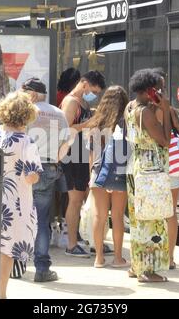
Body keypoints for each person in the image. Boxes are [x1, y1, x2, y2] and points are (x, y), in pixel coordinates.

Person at [0, 91, 42, 299]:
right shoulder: (26, 141)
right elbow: (31, 177)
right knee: (7, 250)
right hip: (15, 204)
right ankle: (1, 295)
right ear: (26, 115)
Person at [22, 77, 72, 282]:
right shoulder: (58, 113)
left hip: (25, 170)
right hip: (48, 168)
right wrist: (54, 160)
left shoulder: (24, 111)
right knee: (42, 220)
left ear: (31, 93)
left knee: (20, 217)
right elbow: (66, 144)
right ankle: (42, 269)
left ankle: (15, 265)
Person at [125, 68, 171, 282]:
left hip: (135, 169)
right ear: (149, 89)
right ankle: (148, 270)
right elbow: (164, 141)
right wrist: (166, 109)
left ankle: (136, 266)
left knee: (137, 219)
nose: (160, 91)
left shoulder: (130, 107)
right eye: (157, 88)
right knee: (152, 220)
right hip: (150, 172)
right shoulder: (145, 112)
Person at [60, 70, 106, 258]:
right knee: (76, 200)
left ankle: (88, 239)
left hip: (82, 154)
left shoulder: (82, 102)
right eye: (93, 91)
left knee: (85, 198)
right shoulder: (71, 102)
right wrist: (87, 125)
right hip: (72, 156)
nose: (94, 95)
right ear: (84, 83)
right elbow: (64, 130)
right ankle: (71, 244)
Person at [87, 86, 129, 268]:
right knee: (118, 216)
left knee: (99, 216)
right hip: (120, 172)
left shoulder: (97, 123)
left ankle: (99, 258)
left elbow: (92, 154)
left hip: (99, 173)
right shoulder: (126, 123)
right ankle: (118, 258)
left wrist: (92, 177)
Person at [153, 68, 179, 270]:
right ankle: (170, 257)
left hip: (153, 167)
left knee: (153, 213)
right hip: (172, 165)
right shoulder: (168, 108)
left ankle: (155, 255)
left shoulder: (145, 110)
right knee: (171, 213)